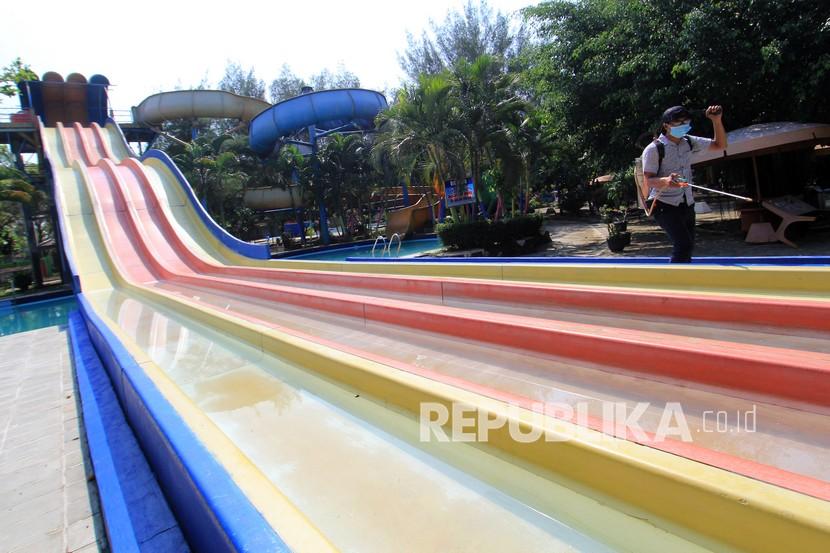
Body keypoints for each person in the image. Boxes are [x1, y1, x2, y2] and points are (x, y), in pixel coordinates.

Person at [641, 105, 727, 263]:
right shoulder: (653, 149)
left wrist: (716, 121)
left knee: (688, 245)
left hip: (687, 203)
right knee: (683, 244)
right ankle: (674, 281)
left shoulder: (689, 141)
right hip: (663, 204)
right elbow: (648, 181)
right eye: (678, 123)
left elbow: (720, 145)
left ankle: (685, 278)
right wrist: (665, 181)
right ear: (666, 125)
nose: (683, 126)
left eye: (686, 122)